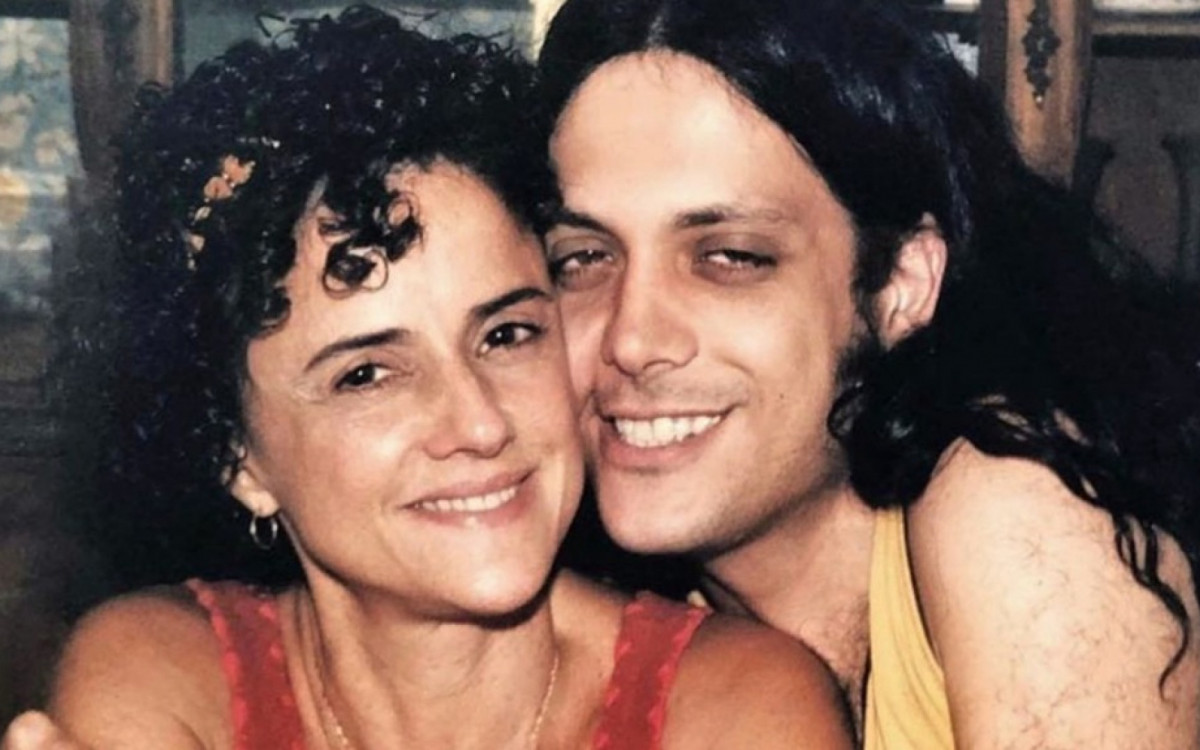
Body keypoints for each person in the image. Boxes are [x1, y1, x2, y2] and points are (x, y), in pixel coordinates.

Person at [0, 7, 854, 749]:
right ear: (237, 455)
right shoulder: (164, 673)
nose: (479, 423)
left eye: (506, 335)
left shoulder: (738, 703)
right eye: (368, 374)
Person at [535, 0, 1200, 746]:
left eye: (731, 257)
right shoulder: (619, 642)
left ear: (898, 286)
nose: (632, 339)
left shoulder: (1008, 496)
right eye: (583, 258)